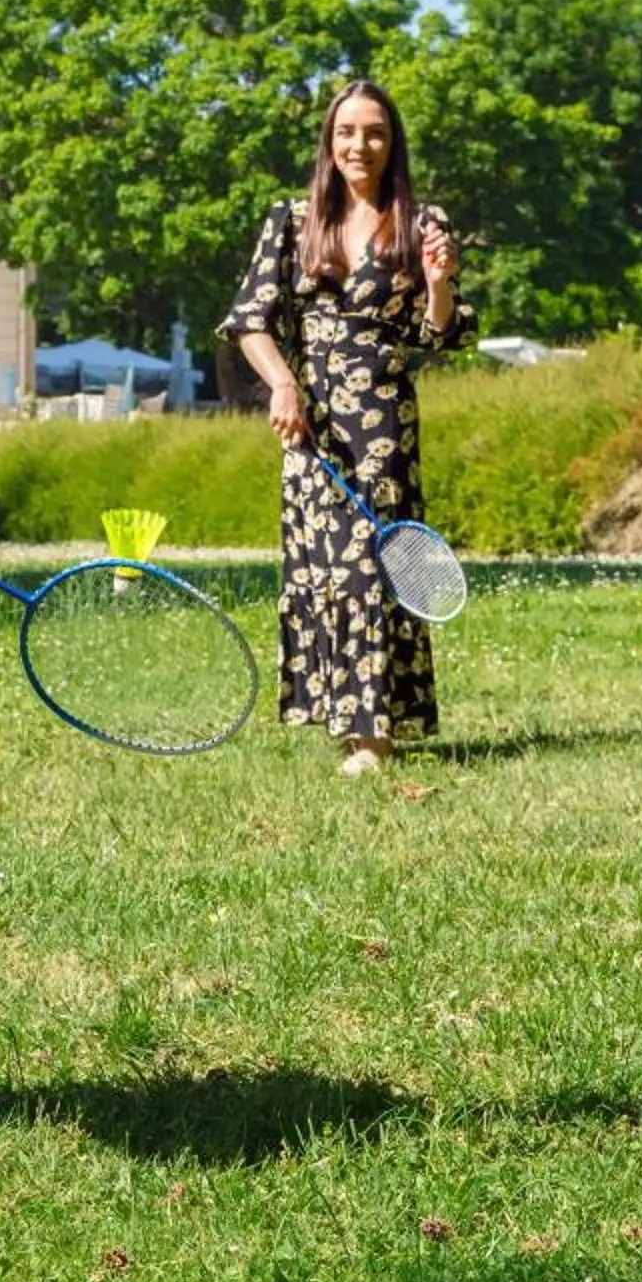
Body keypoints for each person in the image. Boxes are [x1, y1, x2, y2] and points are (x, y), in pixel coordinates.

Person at [220, 79, 473, 772]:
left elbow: (440, 334)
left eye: (375, 132)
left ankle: (373, 736)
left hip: (383, 423)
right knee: (323, 570)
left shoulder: (422, 222)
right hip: (308, 424)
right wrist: (283, 384)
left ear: (393, 143)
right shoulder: (293, 219)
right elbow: (250, 321)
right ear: (330, 142)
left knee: (370, 566)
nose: (360, 145)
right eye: (347, 132)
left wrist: (440, 283)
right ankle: (345, 716)